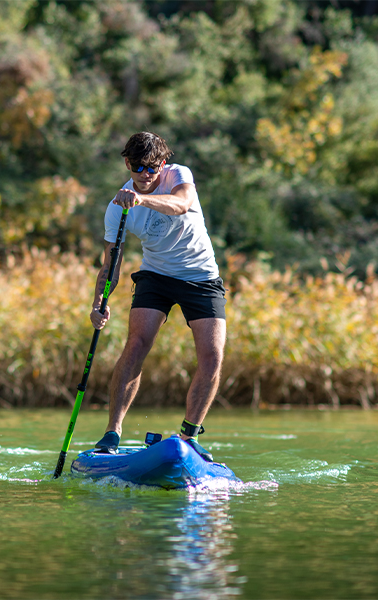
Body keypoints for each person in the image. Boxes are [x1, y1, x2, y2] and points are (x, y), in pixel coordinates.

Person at [90, 132, 226, 462]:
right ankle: (112, 433)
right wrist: (98, 303)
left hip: (202, 278)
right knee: (136, 344)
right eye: (137, 167)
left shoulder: (179, 175)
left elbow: (180, 204)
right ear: (127, 164)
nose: (145, 175)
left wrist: (142, 199)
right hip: (156, 277)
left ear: (162, 165)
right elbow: (112, 262)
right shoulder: (116, 207)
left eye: (152, 168)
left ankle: (189, 437)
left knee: (212, 355)